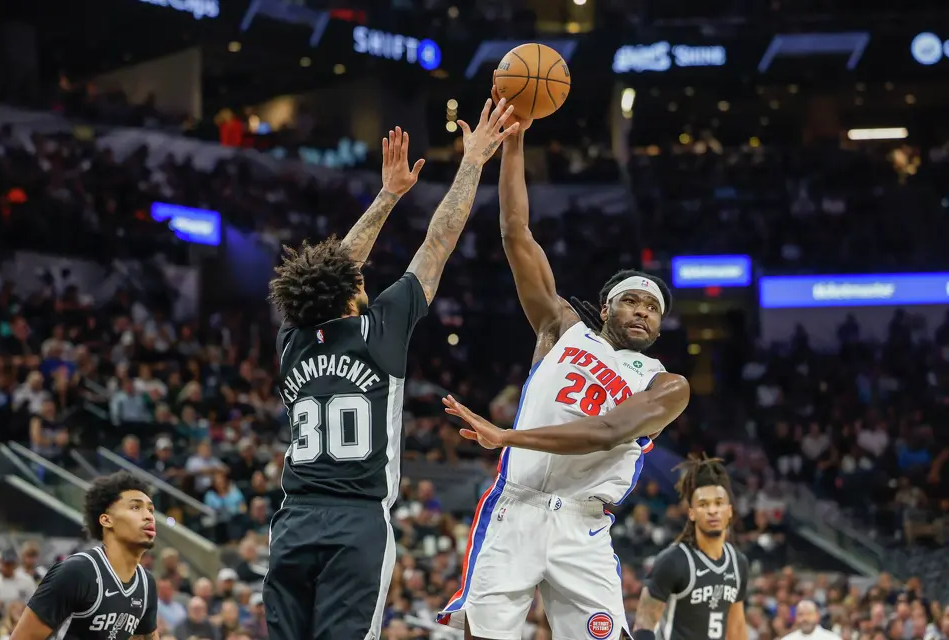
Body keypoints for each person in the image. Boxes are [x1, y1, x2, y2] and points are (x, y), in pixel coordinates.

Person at [436, 86, 690, 640]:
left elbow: (608, 430)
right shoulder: (560, 328)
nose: (643, 312)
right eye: (632, 300)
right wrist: (516, 143)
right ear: (606, 308)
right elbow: (515, 234)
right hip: (517, 508)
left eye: (653, 308)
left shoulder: (666, 384)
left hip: (583, 524)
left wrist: (509, 438)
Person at [264, 100, 520, 640]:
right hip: (356, 524)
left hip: (292, 520)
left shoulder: (290, 342)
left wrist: (387, 196)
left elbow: (334, 269)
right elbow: (438, 240)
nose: (364, 277)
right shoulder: (378, 334)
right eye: (359, 280)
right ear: (352, 294)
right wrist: (472, 161)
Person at [9, 471, 158, 640]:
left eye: (151, 510)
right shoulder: (77, 572)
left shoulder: (146, 584)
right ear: (106, 520)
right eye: (135, 507)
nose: (148, 516)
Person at [630, 457, 748, 640]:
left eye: (718, 503)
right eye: (703, 504)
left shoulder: (738, 562)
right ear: (691, 513)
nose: (712, 510)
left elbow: (737, 628)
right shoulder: (673, 559)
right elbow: (644, 623)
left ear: (729, 511)